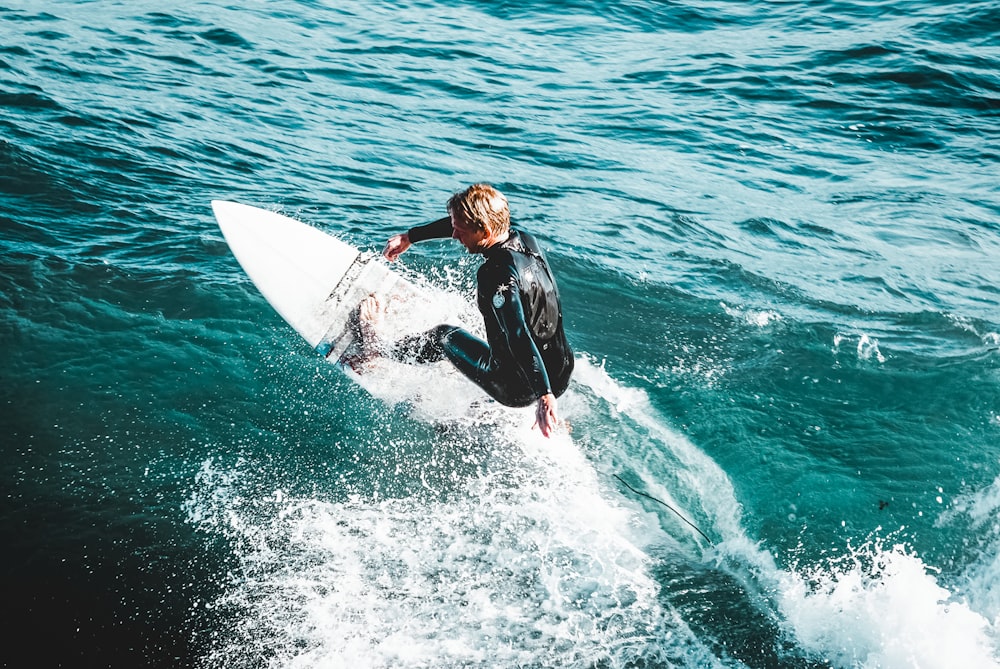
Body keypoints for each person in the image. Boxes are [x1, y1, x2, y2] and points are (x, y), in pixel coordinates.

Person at [359, 183, 573, 437]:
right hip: (560, 372)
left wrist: (543, 395)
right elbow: (461, 225)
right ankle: (506, 411)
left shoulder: (495, 274)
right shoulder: (526, 241)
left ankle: (378, 350)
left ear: (483, 230)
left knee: (444, 336)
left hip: (515, 387)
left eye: (460, 232)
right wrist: (410, 237)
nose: (456, 237)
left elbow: (518, 334)